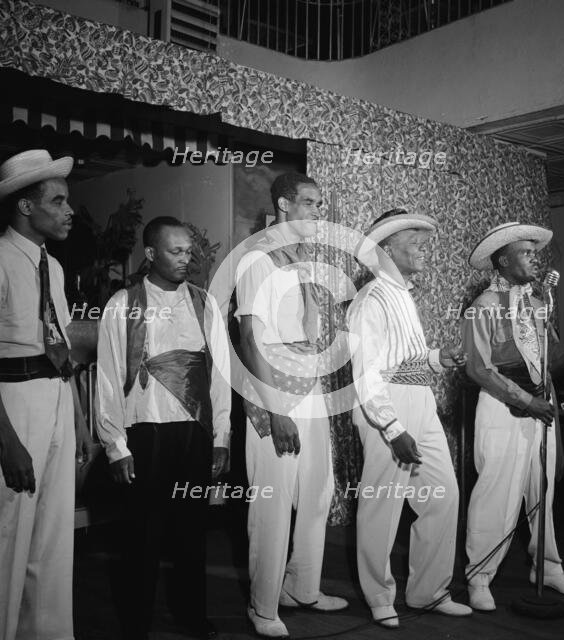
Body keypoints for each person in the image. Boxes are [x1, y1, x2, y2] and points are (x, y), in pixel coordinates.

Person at [96, 216, 231, 640]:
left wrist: (222, 437)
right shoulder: (123, 303)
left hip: (193, 434)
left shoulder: (203, 303)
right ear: (150, 253)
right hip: (146, 435)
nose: (186, 259)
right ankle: (135, 622)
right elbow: (107, 378)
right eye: (176, 251)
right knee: (141, 537)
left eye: (189, 251)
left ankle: (191, 614)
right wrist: (116, 446)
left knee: (191, 533)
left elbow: (221, 376)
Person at [463, 221, 564, 611]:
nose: (534, 260)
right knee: (498, 492)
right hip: (503, 408)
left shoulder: (539, 306)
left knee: (543, 489)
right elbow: (478, 368)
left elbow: (552, 360)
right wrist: (525, 400)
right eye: (526, 253)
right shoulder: (483, 308)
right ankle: (480, 575)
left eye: (535, 253)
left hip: (540, 410)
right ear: (504, 258)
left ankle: (548, 566)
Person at [347, 208, 472, 629]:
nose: (424, 247)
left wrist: (437, 360)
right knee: (382, 506)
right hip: (386, 410)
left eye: (423, 240)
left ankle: (429, 592)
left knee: (442, 495)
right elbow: (367, 374)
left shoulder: (403, 294)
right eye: (414, 240)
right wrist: (392, 428)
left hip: (419, 402)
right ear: (386, 248)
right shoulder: (371, 299)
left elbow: (401, 363)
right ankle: (379, 596)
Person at [235, 173, 348, 638]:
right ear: (283, 204)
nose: (316, 213)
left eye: (319, 204)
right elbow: (248, 339)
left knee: (319, 488)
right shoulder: (257, 259)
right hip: (274, 388)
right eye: (308, 203)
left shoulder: (301, 259)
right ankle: (263, 607)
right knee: (273, 500)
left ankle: (302, 586)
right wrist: (276, 410)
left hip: (308, 381)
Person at [0, 149, 93, 640]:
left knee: (54, 535)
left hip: (55, 399)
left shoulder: (52, 267)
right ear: (25, 207)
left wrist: (76, 419)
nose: (69, 210)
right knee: (10, 534)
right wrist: (8, 441)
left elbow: (58, 348)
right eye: (57, 201)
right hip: (13, 404)